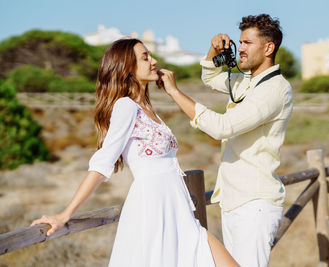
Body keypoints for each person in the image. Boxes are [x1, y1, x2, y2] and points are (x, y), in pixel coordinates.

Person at [31, 38, 239, 267]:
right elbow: (102, 163)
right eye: (145, 57)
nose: (154, 61)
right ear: (127, 67)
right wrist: (65, 214)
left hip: (178, 211)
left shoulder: (148, 109)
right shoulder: (125, 106)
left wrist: (173, 91)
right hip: (152, 209)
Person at [159, 14, 293, 267]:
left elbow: (223, 127)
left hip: (254, 203)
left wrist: (175, 92)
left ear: (268, 48)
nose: (239, 48)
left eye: (246, 43)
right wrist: (213, 49)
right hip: (236, 199)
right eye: (239, 42)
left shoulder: (274, 89)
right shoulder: (248, 82)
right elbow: (210, 77)